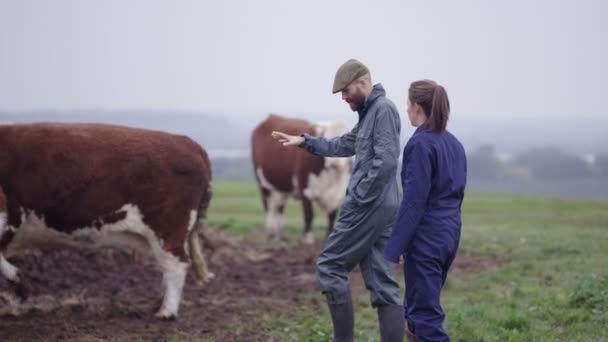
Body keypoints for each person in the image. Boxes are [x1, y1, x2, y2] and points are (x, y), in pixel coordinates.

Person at [271, 59, 405, 342]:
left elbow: (386, 162)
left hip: (369, 205)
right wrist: (305, 142)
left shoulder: (383, 110)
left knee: (330, 265)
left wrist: (359, 197)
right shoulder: (370, 114)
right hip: (383, 205)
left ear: (363, 83)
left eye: (346, 91)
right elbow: (344, 144)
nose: (344, 98)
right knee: (382, 281)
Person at [384, 80, 467, 342]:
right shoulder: (454, 144)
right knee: (417, 313)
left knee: (424, 317)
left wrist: (393, 250)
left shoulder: (420, 145)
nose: (407, 110)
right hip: (449, 236)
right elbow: (457, 196)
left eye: (408, 104)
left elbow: (413, 203)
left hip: (427, 240)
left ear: (417, 106)